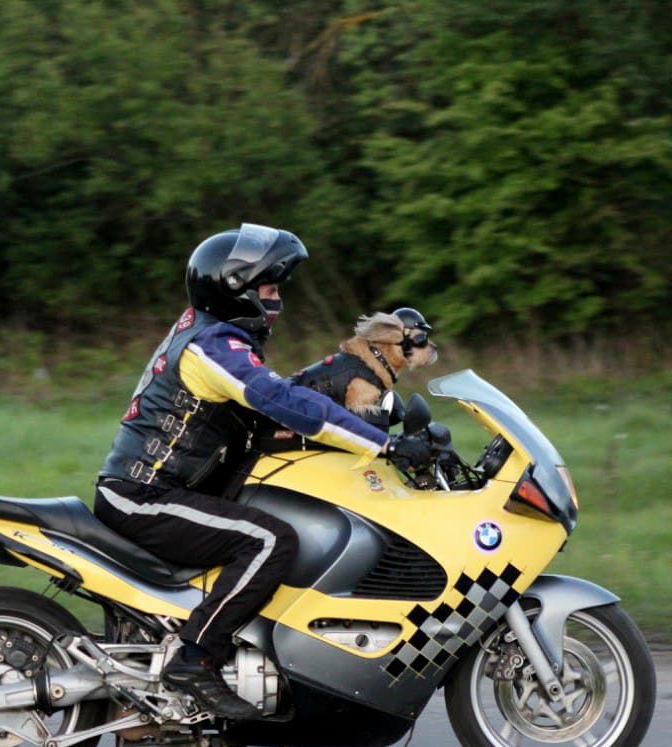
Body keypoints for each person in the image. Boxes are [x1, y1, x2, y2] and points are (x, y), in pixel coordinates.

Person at [94, 223, 429, 719]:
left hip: (164, 489)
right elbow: (282, 400)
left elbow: (272, 408)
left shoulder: (209, 332)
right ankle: (195, 658)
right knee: (269, 541)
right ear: (237, 291)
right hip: (143, 496)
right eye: (269, 289)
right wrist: (384, 445)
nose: (276, 301)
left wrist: (371, 418)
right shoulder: (212, 347)